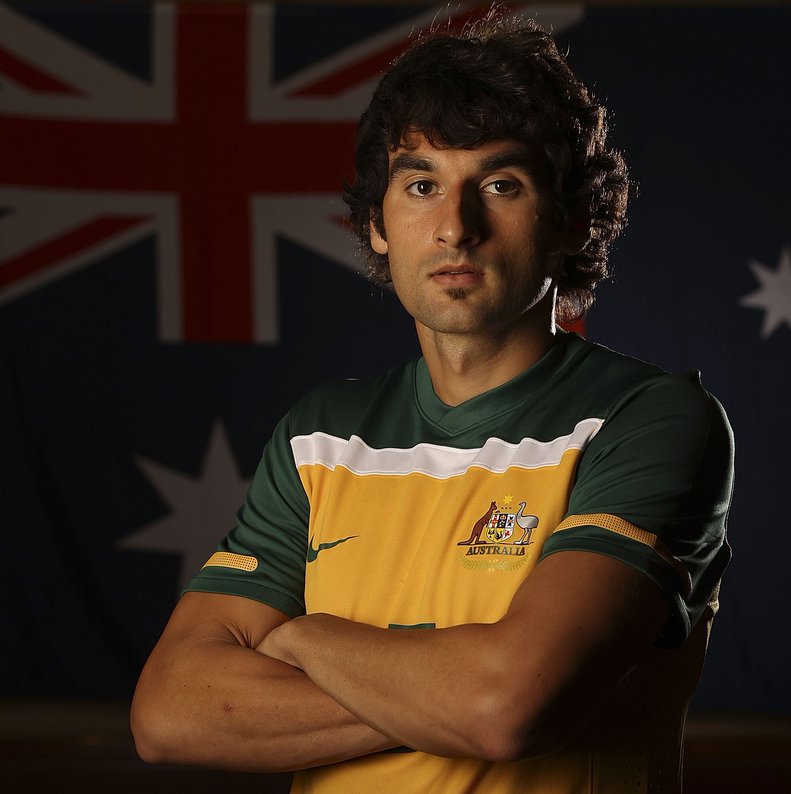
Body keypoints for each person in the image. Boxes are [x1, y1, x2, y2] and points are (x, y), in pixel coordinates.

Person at [131, 12, 733, 793]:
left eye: (501, 185)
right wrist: (447, 690)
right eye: (421, 185)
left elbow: (505, 706)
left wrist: (305, 638)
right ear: (377, 224)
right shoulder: (320, 436)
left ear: (569, 220)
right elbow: (170, 712)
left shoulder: (648, 420)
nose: (455, 227)